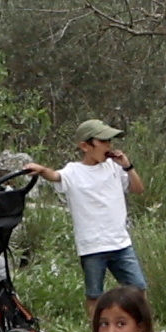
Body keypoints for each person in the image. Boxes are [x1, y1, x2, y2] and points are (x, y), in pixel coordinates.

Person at [56, 122, 142, 302]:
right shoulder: (73, 171)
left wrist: (128, 166)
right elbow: (55, 176)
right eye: (103, 141)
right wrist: (40, 170)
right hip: (92, 245)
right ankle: (97, 329)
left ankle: (141, 328)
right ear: (85, 146)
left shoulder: (114, 167)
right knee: (95, 294)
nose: (108, 146)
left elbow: (138, 188)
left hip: (120, 242)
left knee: (138, 289)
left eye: (109, 141)